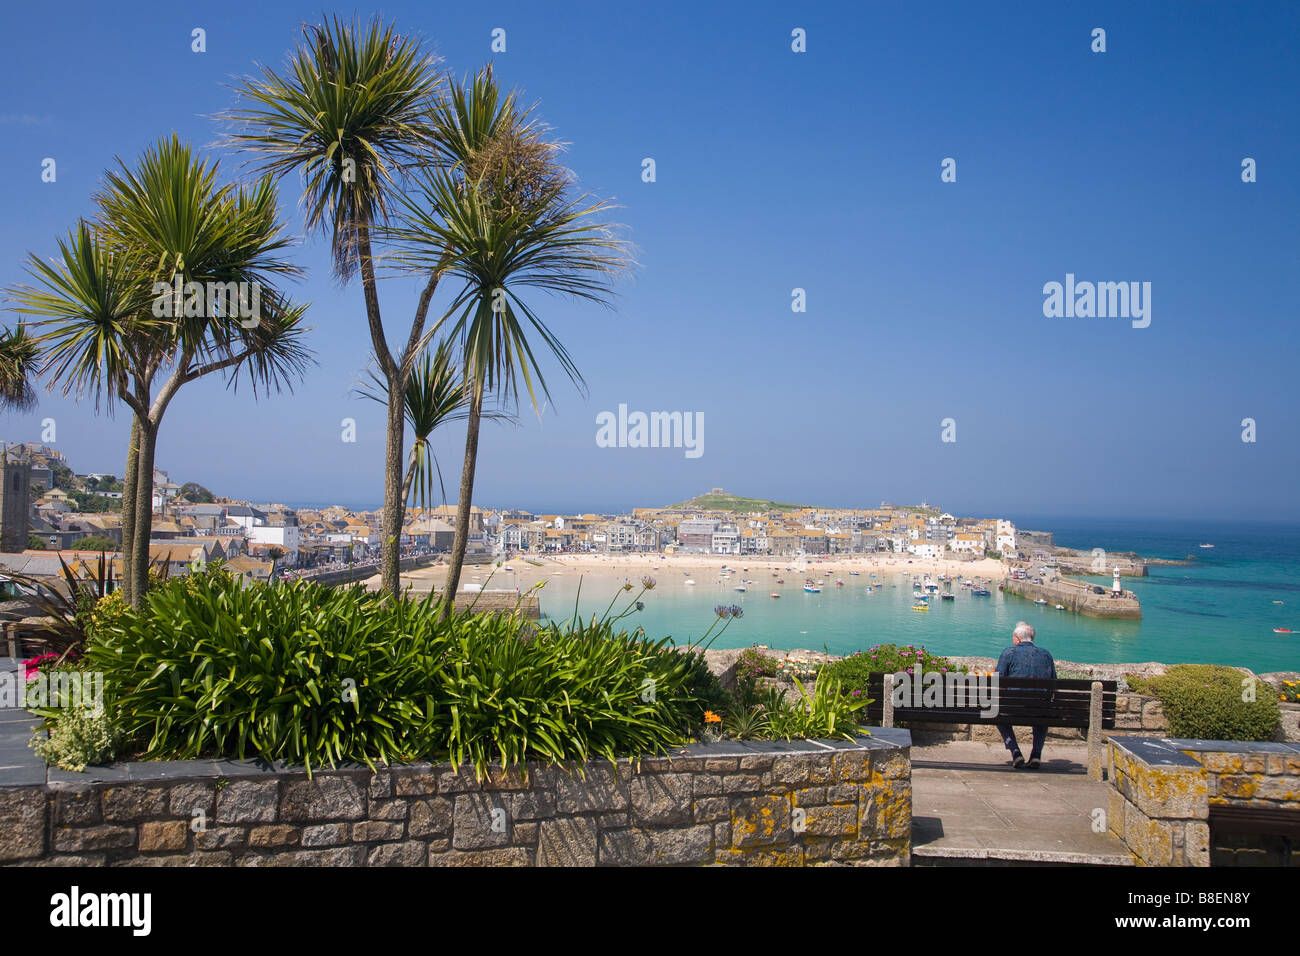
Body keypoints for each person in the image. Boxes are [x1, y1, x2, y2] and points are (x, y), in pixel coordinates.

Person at [994, 621, 1056, 769]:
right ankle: (1036, 754)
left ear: (1018, 638)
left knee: (996, 715)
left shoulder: (1008, 653)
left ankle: (1015, 751)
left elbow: (998, 680)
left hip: (1014, 708)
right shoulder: (1046, 655)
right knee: (1042, 719)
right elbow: (1053, 681)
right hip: (1041, 709)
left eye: (1013, 637)